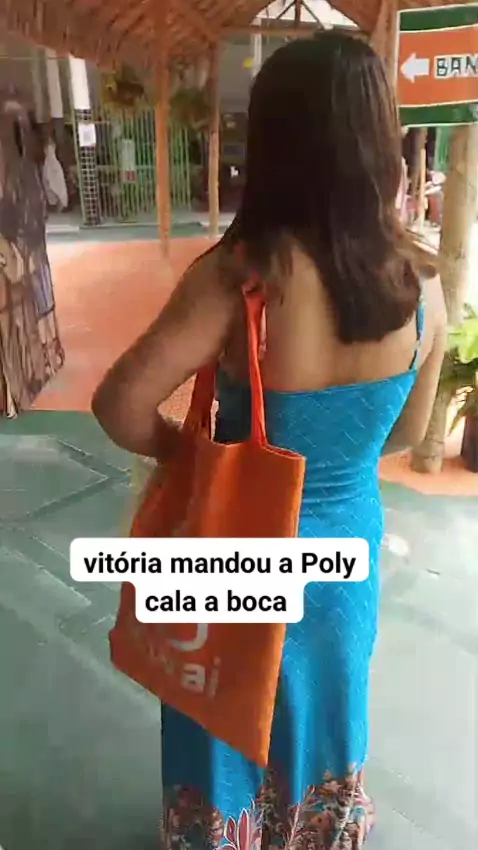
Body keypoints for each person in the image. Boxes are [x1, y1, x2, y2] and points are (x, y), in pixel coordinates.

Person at [92, 32, 447, 850]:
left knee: (221, 712)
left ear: (274, 146)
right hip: (347, 552)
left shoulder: (241, 277)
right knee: (323, 715)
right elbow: (408, 435)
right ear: (380, 145)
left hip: (238, 549)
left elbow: (119, 405)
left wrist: (191, 458)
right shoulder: (425, 286)